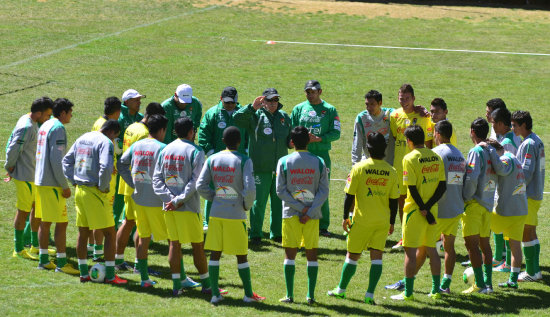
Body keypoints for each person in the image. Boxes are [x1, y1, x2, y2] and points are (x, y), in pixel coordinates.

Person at [152, 117, 225, 295]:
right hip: (188, 207)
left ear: (175, 131)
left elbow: (156, 180)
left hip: (169, 207)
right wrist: (179, 200)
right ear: (191, 132)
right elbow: (196, 182)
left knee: (174, 245)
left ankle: (177, 286)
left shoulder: (165, 149)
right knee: (197, 246)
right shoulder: (196, 151)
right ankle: (207, 285)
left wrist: (169, 199)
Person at [328, 132, 399, 305]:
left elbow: (349, 195)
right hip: (382, 221)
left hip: (361, 220)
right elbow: (394, 200)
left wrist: (345, 217)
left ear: (367, 148)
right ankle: (369, 295)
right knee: (377, 257)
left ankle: (341, 290)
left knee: (352, 256)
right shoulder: (391, 171)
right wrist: (391, 222)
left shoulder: (359, 168)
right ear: (384, 149)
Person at [196, 126, 264, 304]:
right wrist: (245, 205)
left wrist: (216, 198)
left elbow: (200, 185)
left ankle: (215, 295)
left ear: (223, 141)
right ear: (240, 142)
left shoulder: (212, 159)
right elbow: (250, 189)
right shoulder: (244, 160)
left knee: (215, 253)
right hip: (236, 213)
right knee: (241, 254)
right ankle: (248, 294)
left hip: (216, 213)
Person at [62, 120, 127, 284]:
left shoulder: (83, 137)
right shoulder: (105, 142)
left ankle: (83, 273)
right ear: (112, 132)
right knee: (110, 233)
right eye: (115, 137)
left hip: (80, 191)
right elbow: (105, 167)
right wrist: (103, 186)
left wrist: (73, 179)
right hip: (95, 192)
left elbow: (66, 161)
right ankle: (111, 276)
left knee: (83, 233)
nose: (114, 141)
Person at [388, 125, 446, 301]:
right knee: (432, 250)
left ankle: (408, 293)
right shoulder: (436, 156)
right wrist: (429, 208)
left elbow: (411, 188)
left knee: (410, 252)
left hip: (415, 211)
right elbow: (442, 186)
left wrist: (422, 208)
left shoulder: (409, 158)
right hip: (432, 210)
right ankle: (436, 291)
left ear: (410, 141)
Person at [276, 126, 329, 304]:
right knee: (311, 254)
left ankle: (289, 295)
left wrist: (298, 208)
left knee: (289, 255)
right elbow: (324, 191)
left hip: (290, 214)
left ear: (292, 142)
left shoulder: (283, 161)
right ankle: (310, 296)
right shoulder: (320, 162)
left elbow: (280, 191)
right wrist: (310, 210)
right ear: (308, 141)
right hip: (311, 217)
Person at [234, 88, 292, 244]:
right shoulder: (255, 116)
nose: (273, 104)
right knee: (258, 202)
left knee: (279, 202)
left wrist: (291, 143)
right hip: (260, 167)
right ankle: (256, 233)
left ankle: (277, 233)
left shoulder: (284, 117)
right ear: (263, 101)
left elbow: (289, 139)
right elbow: (236, 119)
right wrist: (252, 107)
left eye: (275, 100)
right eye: (269, 100)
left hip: (280, 169)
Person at [118, 114, 168, 288]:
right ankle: (180, 277)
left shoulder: (137, 145)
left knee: (143, 237)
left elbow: (121, 164)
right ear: (162, 130)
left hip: (139, 198)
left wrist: (133, 183)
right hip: (158, 201)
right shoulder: (163, 148)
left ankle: (144, 277)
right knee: (173, 240)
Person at [5, 96, 53, 260]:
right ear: (38, 113)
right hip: (25, 176)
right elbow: (13, 148)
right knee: (23, 211)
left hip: (32, 175)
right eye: (47, 115)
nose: (48, 118)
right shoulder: (27, 127)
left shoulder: (29, 121)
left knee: (35, 208)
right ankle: (18, 249)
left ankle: (34, 246)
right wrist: (10, 167)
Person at [34, 98, 79, 274]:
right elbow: (56, 159)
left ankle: (44, 259)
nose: (71, 115)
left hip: (40, 180)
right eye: (70, 112)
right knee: (62, 223)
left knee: (45, 223)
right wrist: (64, 185)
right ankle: (61, 263)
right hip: (52, 183)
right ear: (63, 113)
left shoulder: (45, 125)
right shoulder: (58, 128)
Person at [290, 80, 340, 237]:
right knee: (300, 188)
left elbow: (336, 133)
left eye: (313, 92)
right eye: (307, 92)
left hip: (321, 156)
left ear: (320, 91)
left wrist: (319, 139)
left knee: (322, 189)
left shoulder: (330, 110)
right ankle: (299, 218)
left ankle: (323, 226)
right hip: (301, 154)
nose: (310, 95)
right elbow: (292, 130)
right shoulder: (298, 109)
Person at [389, 84, 433, 249]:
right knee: (402, 200)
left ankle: (425, 235)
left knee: (420, 199)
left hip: (419, 166)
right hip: (400, 166)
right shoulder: (394, 115)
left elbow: (428, 143)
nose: (404, 101)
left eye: (407, 98)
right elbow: (395, 136)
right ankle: (404, 236)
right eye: (401, 98)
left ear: (414, 98)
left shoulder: (423, 117)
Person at [198, 87, 248, 229]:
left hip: (237, 160)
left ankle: (233, 218)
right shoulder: (212, 113)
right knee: (214, 189)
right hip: (217, 161)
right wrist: (211, 152)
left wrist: (246, 150)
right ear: (221, 99)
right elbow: (203, 134)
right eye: (226, 102)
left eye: (232, 102)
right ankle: (209, 221)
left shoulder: (243, 113)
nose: (229, 105)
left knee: (236, 189)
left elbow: (249, 134)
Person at [461, 118, 499, 294]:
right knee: (485, 244)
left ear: (472, 132)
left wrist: (465, 198)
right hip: (487, 202)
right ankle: (488, 284)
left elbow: (471, 177)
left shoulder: (476, 151)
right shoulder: (491, 150)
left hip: (474, 204)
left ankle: (480, 285)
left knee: (471, 244)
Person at [483, 140, 527, 289]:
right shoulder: (513, 157)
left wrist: (489, 153)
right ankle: (513, 280)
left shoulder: (505, 159)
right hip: (520, 210)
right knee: (515, 246)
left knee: (478, 233)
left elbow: (501, 169)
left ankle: (483, 277)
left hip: (507, 211)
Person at [511, 111, 545, 282]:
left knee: (526, 232)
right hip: (536, 193)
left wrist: (514, 189)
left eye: (514, 125)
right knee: (531, 231)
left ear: (523, 125)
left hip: (528, 195)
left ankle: (532, 272)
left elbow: (526, 171)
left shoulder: (529, 144)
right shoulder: (536, 140)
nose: (512, 128)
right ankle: (535, 270)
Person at [432, 120, 465, 293]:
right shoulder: (459, 155)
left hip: (439, 209)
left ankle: (431, 285)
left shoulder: (436, 153)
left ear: (437, 133)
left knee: (427, 248)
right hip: (456, 207)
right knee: (449, 247)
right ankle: (446, 283)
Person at [89, 96, 122, 261]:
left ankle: (93, 248)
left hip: (96, 174)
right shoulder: (108, 128)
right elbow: (113, 150)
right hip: (106, 178)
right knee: (103, 216)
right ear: (117, 111)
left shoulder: (98, 122)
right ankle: (98, 251)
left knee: (94, 215)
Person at [491, 107, 520, 272]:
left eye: (494, 123)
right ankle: (503, 260)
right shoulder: (513, 137)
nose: (493, 126)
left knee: (507, 228)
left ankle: (505, 262)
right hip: (515, 188)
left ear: (501, 123)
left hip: (508, 188)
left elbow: (505, 167)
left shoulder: (506, 143)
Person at [351, 90, 394, 166]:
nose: (368, 107)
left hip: (389, 164)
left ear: (380, 103)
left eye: (372, 104)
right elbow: (357, 144)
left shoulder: (391, 114)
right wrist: (354, 165)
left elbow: (406, 113)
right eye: (367, 104)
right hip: (370, 163)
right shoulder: (361, 118)